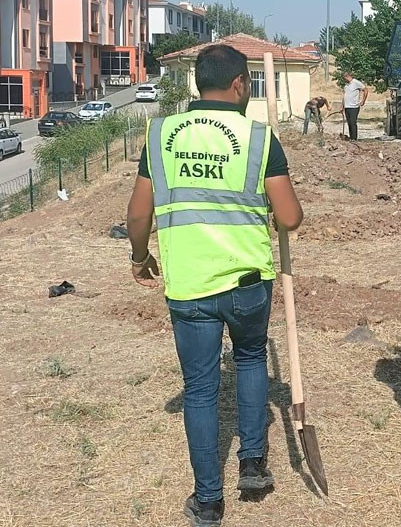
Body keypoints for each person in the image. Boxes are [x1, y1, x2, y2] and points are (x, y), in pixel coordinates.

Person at [126, 44, 304, 527]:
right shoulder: (259, 137)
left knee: (200, 389)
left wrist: (141, 257)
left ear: (196, 84)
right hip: (248, 282)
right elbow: (289, 217)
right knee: (249, 360)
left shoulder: (159, 133)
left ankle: (208, 501)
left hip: (189, 286)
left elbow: (139, 213)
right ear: (241, 84)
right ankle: (253, 464)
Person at [342, 72, 368, 140]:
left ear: (347, 76)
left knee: (353, 122)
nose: (344, 80)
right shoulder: (346, 85)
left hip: (354, 107)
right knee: (349, 123)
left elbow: (365, 89)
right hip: (347, 106)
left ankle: (354, 138)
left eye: (344, 78)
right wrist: (343, 106)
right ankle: (351, 137)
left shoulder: (356, 82)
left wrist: (363, 101)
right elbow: (344, 96)